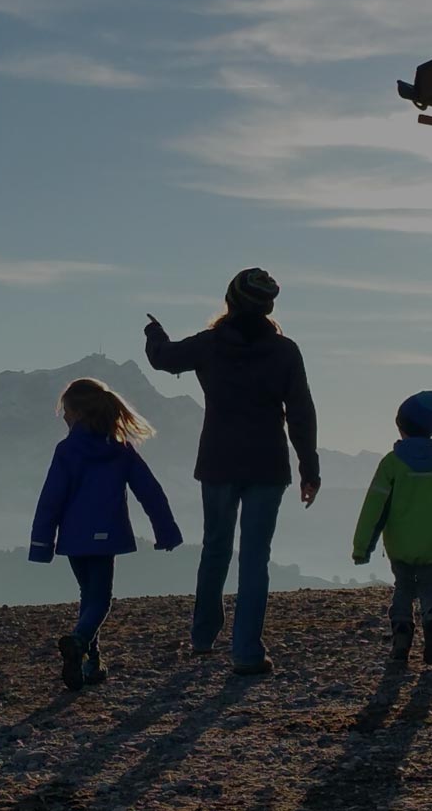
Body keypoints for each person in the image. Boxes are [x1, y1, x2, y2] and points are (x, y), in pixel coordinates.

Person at [143, 267, 318, 676]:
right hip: (267, 463)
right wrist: (309, 466)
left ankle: (203, 636)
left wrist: (154, 334)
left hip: (218, 460)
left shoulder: (210, 344)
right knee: (255, 558)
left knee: (216, 548)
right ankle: (246, 652)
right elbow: (301, 412)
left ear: (230, 301)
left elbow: (164, 359)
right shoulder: (285, 351)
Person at [29, 377, 183, 690]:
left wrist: (41, 544)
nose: (64, 417)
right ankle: (80, 643)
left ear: (77, 413)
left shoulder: (66, 451)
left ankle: (91, 660)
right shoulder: (120, 450)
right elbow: (150, 492)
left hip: (74, 539)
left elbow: (50, 500)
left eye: (66, 411)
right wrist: (165, 531)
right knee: (100, 600)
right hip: (108, 535)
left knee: (90, 596)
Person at [352, 389, 432, 665]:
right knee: (431, 588)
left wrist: (362, 547)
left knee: (403, 588)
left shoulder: (391, 465)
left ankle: (402, 636)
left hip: (399, 545)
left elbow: (374, 508)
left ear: (402, 426)